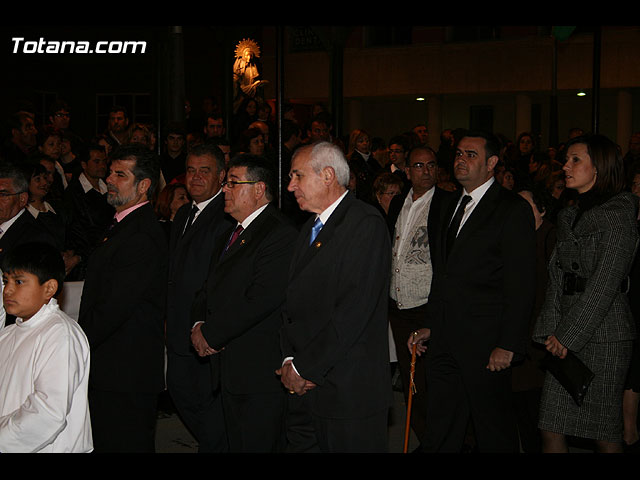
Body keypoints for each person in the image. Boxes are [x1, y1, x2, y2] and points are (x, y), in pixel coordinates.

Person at [409, 130, 536, 453]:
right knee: (442, 425)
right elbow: (444, 275)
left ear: (492, 163)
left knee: (491, 429)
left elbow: (521, 283)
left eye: (471, 155)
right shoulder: (448, 204)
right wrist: (431, 325)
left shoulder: (510, 208)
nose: (461, 160)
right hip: (445, 339)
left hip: (485, 342)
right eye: (459, 154)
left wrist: (508, 344)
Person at [277, 142, 392, 453]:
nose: (290, 186)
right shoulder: (309, 228)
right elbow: (292, 304)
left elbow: (353, 312)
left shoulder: (364, 224)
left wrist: (302, 368)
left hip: (347, 394)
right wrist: (290, 361)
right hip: (305, 389)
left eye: (297, 176)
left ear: (327, 175)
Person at [533, 133, 639, 453]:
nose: (565, 166)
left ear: (599, 168)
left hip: (605, 335)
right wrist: (552, 329)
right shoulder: (568, 215)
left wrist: (568, 335)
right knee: (550, 424)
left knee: (604, 431)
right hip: (566, 333)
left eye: (575, 159)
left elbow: (605, 282)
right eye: (566, 159)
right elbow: (557, 276)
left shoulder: (618, 213)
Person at [190, 154, 298, 452]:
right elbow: (208, 287)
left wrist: (212, 334)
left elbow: (260, 299)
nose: (225, 189)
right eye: (225, 183)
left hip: (257, 371)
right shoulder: (229, 232)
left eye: (233, 183)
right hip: (227, 368)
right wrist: (198, 323)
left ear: (259, 189)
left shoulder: (279, 233)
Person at [78, 143, 168, 453]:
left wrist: (74, 342)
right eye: (110, 172)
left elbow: (112, 308)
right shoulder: (122, 225)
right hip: (115, 368)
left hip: (125, 373)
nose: (110, 180)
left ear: (144, 185)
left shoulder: (140, 235)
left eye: (121, 174)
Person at [165, 142, 233, 453]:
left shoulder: (227, 216)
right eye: (190, 171)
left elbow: (219, 281)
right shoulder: (183, 215)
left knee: (209, 405)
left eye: (204, 171)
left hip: (205, 331)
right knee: (180, 392)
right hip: (178, 328)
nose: (195, 178)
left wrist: (207, 325)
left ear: (221, 177)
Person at [386, 146, 454, 445]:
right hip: (398, 306)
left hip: (427, 306)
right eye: (418, 165)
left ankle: (441, 442)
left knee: (432, 383)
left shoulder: (448, 203)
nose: (426, 171)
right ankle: (423, 439)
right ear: (408, 171)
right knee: (410, 382)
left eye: (431, 165)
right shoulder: (399, 201)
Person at [0, 241, 92, 453]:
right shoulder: (8, 334)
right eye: (6, 281)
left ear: (49, 288)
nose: (8, 290)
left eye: (19, 281)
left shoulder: (60, 334)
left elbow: (48, 413)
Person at [63, 144, 114, 281]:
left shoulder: (111, 190)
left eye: (104, 161)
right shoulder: (73, 194)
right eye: (96, 161)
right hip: (83, 265)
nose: (102, 165)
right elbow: (76, 231)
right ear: (84, 165)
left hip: (108, 257)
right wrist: (80, 256)